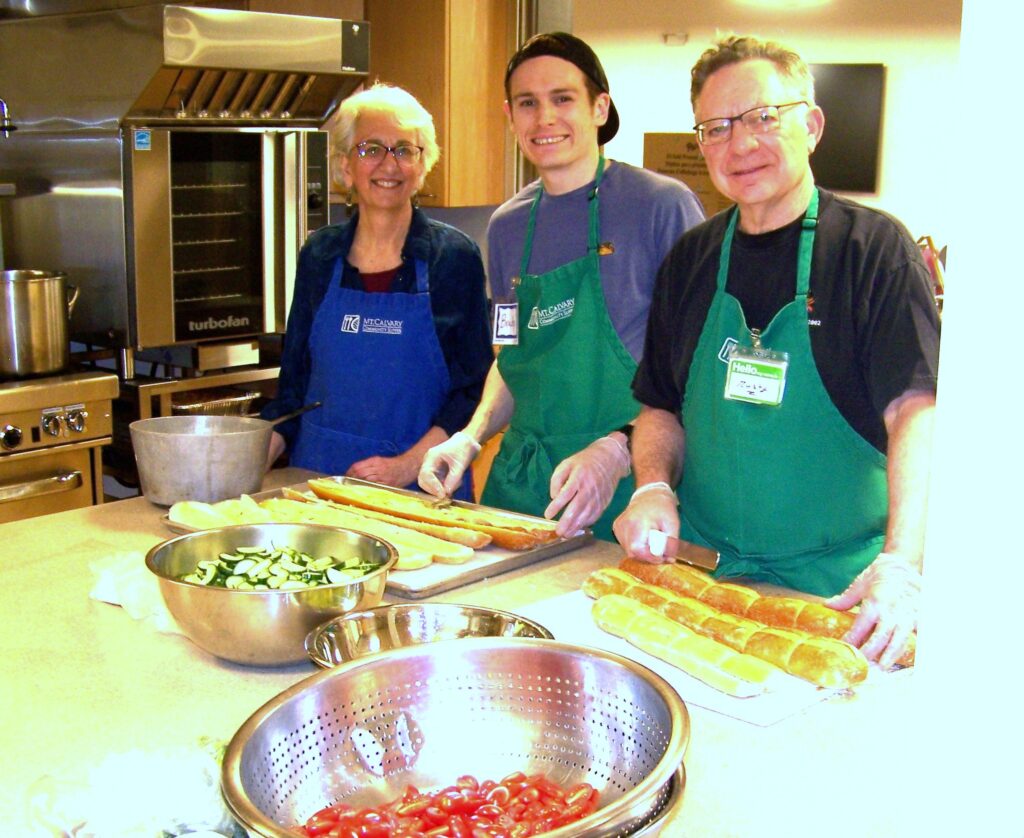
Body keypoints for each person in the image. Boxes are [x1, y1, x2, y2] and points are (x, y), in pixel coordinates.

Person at [613, 35, 940, 668]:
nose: (740, 144)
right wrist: (651, 487)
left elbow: (915, 411)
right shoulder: (691, 258)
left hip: (836, 599)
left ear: (812, 125)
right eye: (716, 128)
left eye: (764, 117)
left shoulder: (874, 251)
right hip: (703, 582)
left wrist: (902, 562)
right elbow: (660, 406)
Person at [417, 32, 705, 540]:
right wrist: (471, 435)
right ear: (510, 118)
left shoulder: (660, 206)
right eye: (527, 103)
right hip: (525, 489)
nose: (544, 118)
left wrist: (618, 450)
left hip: (627, 488)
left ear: (600, 107)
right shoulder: (507, 225)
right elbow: (512, 360)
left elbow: (696, 368)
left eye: (562, 99)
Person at [260, 83, 492, 499]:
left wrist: (406, 466)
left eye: (404, 150)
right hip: (319, 482)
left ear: (423, 166)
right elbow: (293, 385)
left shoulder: (453, 259)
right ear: (346, 167)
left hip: (421, 486)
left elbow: (472, 390)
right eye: (371, 149)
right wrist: (246, 462)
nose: (390, 164)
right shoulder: (319, 254)